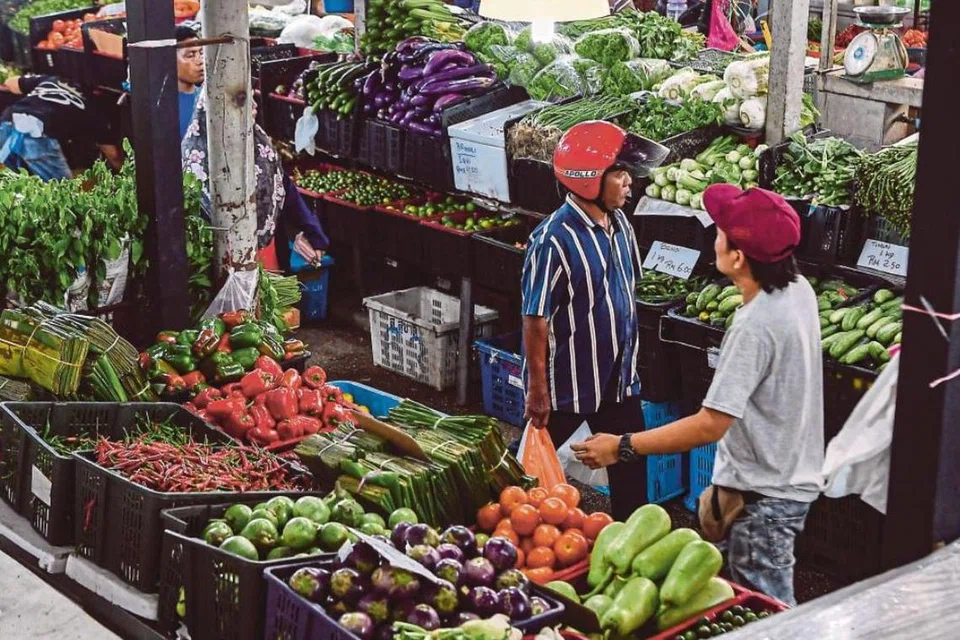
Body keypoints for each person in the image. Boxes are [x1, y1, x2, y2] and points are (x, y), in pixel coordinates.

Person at [572, 184, 823, 606]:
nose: (714, 238)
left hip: (767, 498)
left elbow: (711, 423)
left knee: (770, 613)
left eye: (720, 232)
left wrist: (623, 446)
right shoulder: (798, 289)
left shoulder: (755, 326)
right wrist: (726, 486)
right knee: (729, 597)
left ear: (738, 257)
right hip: (774, 479)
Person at [521, 120, 652, 523]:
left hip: (617, 378)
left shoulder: (620, 225)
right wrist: (538, 390)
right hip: (567, 383)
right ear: (588, 180)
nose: (629, 181)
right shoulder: (553, 239)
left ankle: (632, 541)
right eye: (619, 173)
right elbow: (535, 318)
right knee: (523, 474)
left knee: (632, 469)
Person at [181, 90, 328, 270]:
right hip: (223, 264)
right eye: (243, 100)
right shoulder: (196, 160)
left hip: (268, 254)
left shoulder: (259, 144)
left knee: (269, 295)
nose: (255, 106)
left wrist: (312, 233)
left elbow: (285, 188)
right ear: (219, 109)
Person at [0, 74, 122, 180]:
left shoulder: (51, 80)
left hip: (7, 124)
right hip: (36, 132)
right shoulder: (94, 110)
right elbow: (113, 155)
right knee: (62, 195)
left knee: (24, 187)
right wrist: (126, 177)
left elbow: (11, 82)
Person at [176, 24, 205, 139]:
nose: (200, 61)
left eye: (201, 53)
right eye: (190, 55)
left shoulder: (206, 97)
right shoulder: (161, 103)